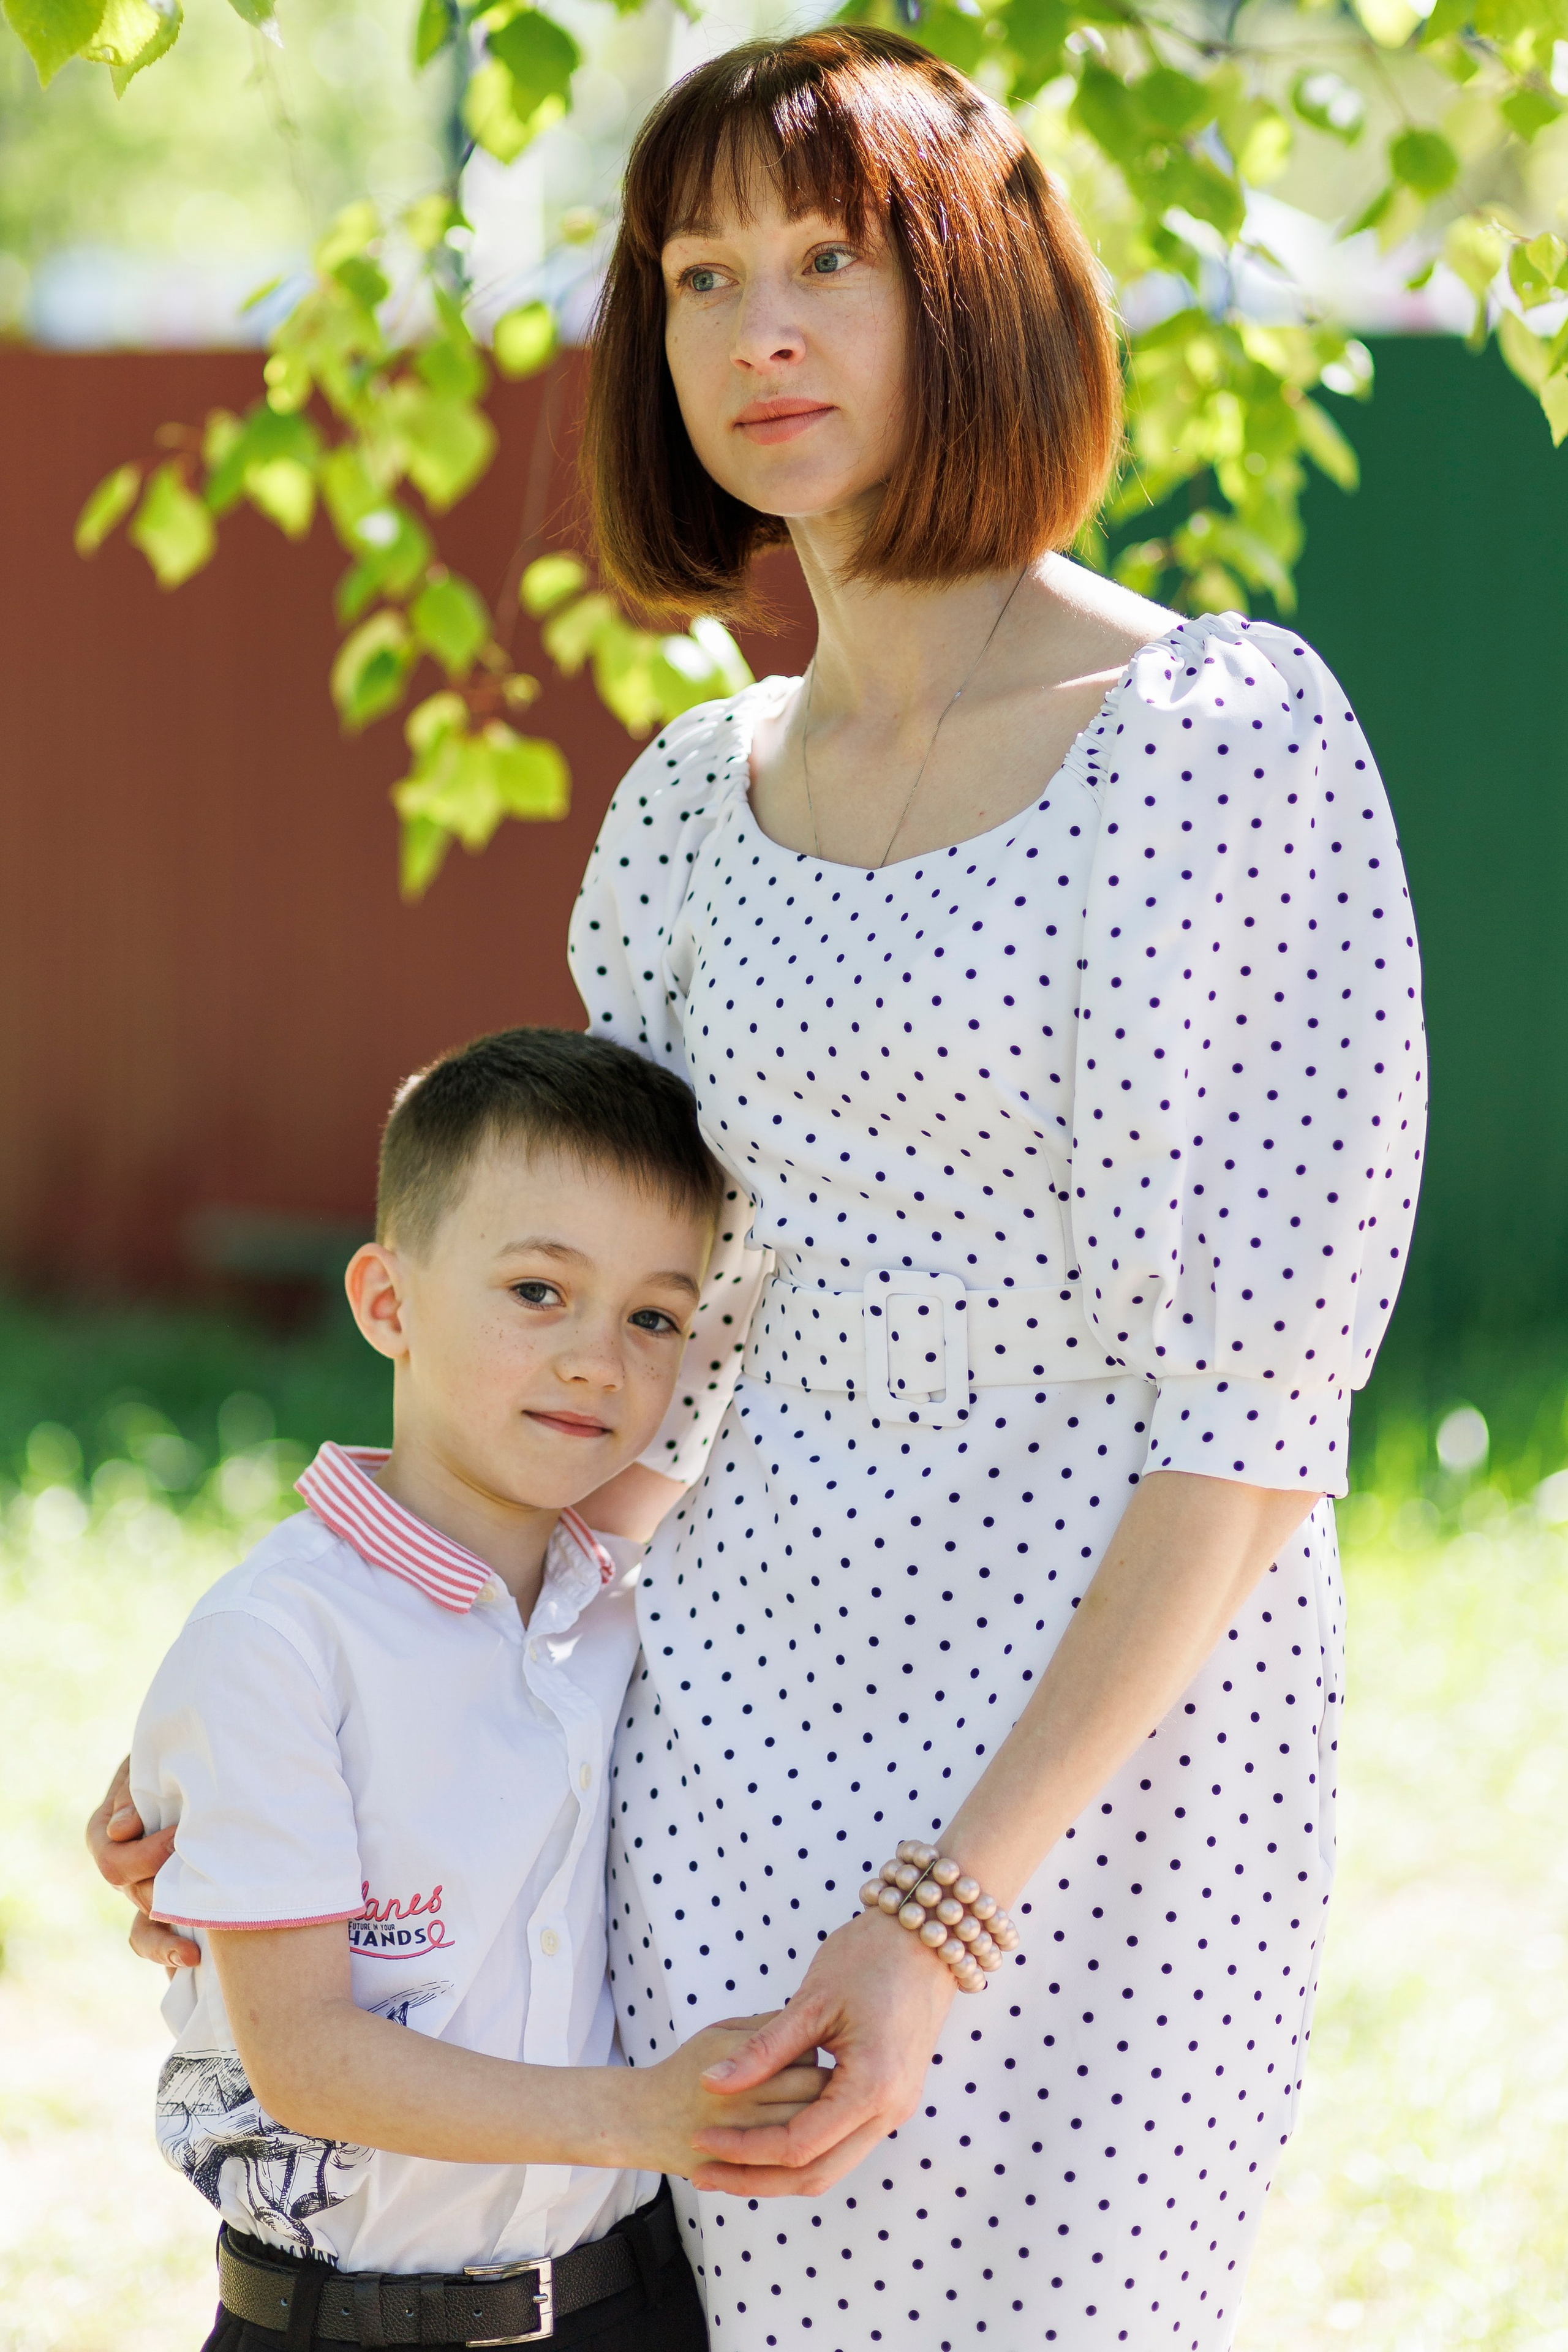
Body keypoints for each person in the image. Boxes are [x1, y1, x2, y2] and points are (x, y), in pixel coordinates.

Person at [96, 26, 1427, 2350]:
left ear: (980, 291)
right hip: (695, 1729)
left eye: (830, 260)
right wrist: (309, 1733)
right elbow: (611, 1349)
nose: (757, 331)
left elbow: (1251, 1422)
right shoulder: (690, 809)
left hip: (1089, 1779)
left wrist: (942, 1918)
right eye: (696, 276)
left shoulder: (1221, 748)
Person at [115, 1028, 825, 2352]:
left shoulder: (630, 1602)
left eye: (651, 1317)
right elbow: (308, 2061)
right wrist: (647, 2115)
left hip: (630, 2303)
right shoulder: (278, 1645)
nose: (596, 1362)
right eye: (537, 1292)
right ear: (387, 1304)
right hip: (348, 2322)